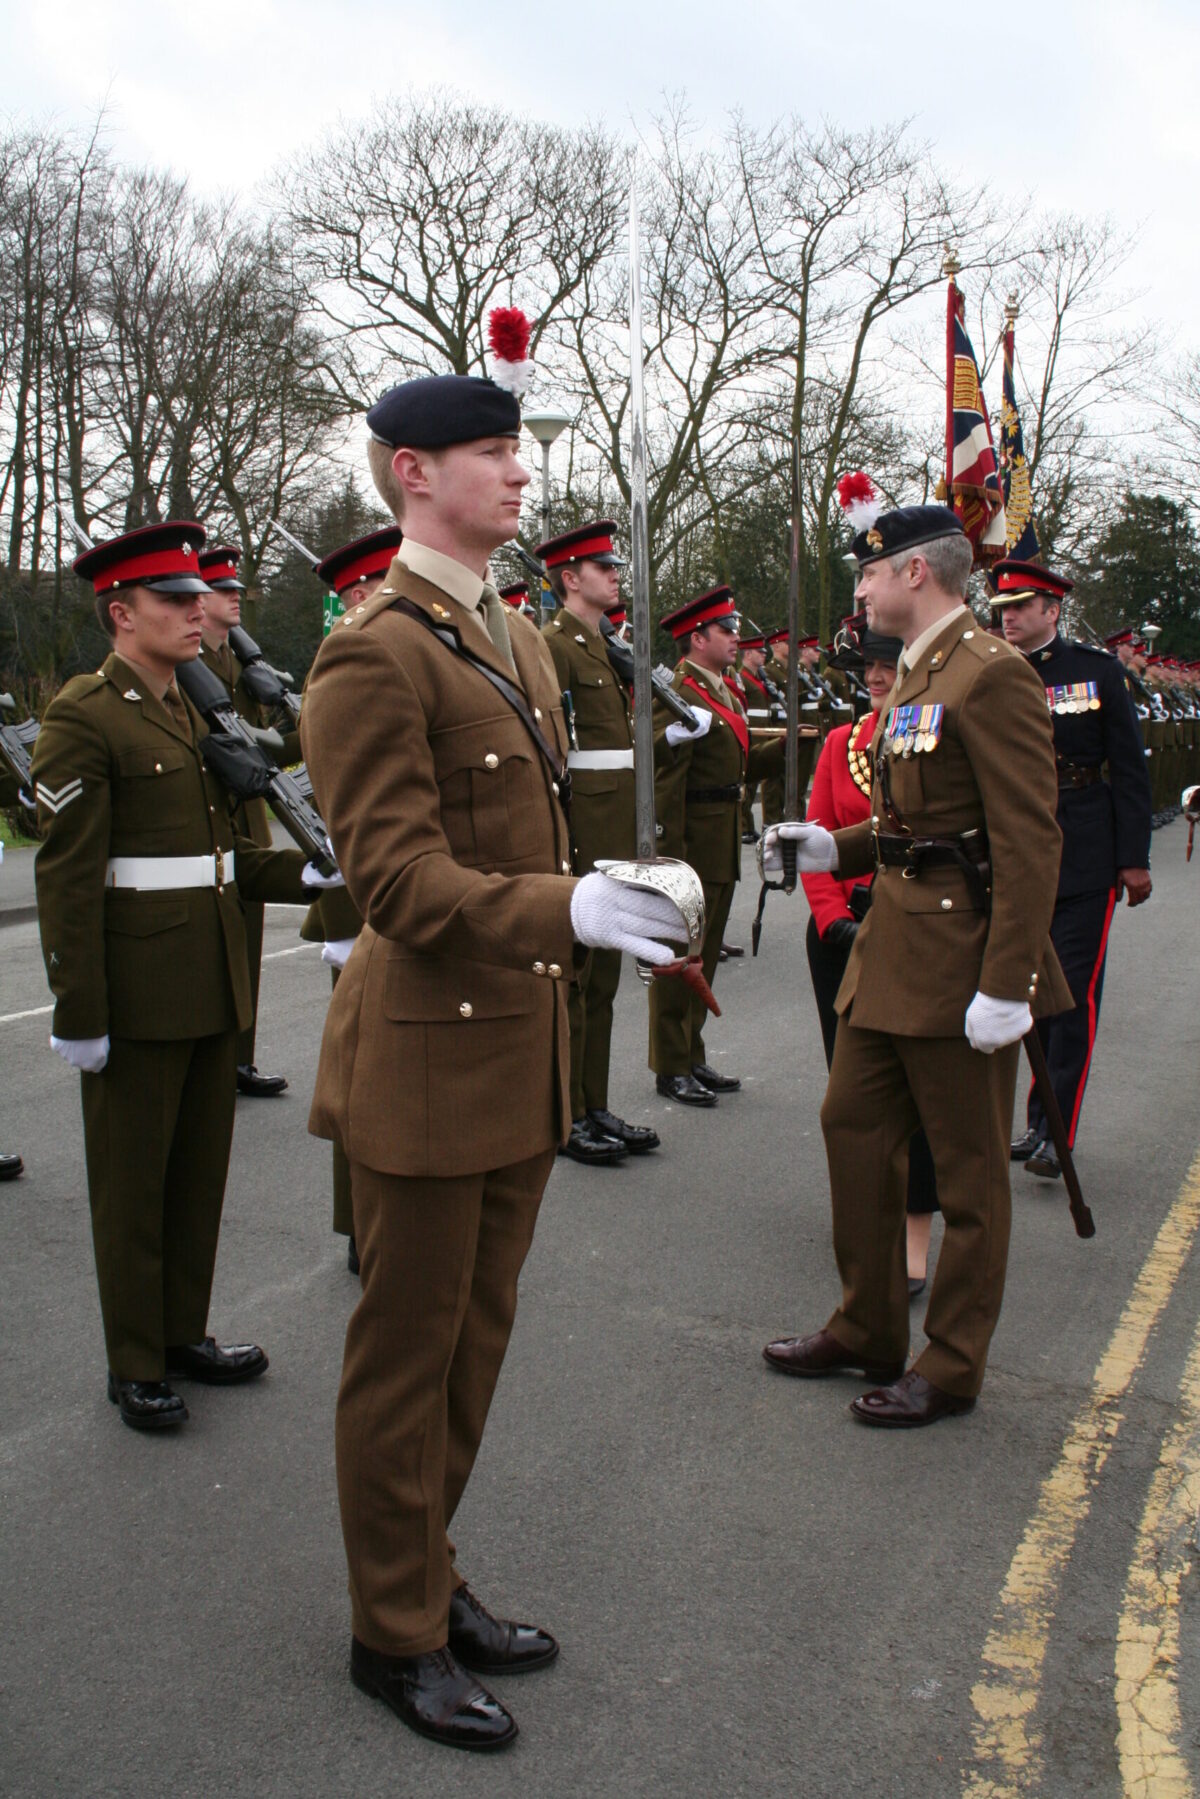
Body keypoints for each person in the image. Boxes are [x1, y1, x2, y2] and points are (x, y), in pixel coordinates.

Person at [300, 347, 688, 1753]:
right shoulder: (372, 648)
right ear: (417, 473)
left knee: (473, 1347)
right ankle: (389, 1630)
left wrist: (611, 895)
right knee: (405, 1356)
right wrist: (569, 906)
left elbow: (529, 840)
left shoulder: (511, 634)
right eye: (496, 452)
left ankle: (430, 1571)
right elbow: (395, 882)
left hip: (512, 1049)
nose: (523, 470)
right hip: (423, 1056)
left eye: (520, 449)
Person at [761, 502, 1070, 1427]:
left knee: (969, 1174)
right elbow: (915, 826)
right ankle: (866, 1323)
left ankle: (953, 1361)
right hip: (892, 948)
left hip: (960, 960)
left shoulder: (990, 675)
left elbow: (1027, 843)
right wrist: (832, 848)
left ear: (914, 574)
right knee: (851, 1125)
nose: (856, 589)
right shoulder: (916, 676)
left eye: (867, 572)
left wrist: (1005, 985)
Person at [31, 522, 314, 1431]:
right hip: (137, 988)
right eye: (175, 599)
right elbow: (68, 878)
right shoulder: (85, 713)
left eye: (200, 596)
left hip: (209, 974)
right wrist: (80, 1008)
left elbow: (225, 858)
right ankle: (134, 1360)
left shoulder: (192, 707)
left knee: (197, 1175)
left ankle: (183, 1331)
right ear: (122, 612)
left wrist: (306, 873)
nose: (200, 613)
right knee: (133, 1186)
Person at [995, 560, 1153, 1179]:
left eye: (1021, 606)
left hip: (1083, 847)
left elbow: (1130, 772)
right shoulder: (992, 669)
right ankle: (1039, 1121)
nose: (1008, 615)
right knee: (1028, 993)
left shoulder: (1095, 672)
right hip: (1015, 848)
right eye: (1003, 606)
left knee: (1072, 995)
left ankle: (1053, 1129)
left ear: (1052, 610)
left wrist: (1132, 859)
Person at [800, 619, 940, 1295]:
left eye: (889, 662)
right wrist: (830, 919)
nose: (877, 675)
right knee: (852, 1093)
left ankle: (915, 1229)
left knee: (916, 1087)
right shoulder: (840, 742)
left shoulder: (934, 738)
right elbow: (819, 837)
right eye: (870, 665)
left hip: (913, 928)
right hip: (844, 932)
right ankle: (867, 1222)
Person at [649, 586, 817, 1105]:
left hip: (720, 836)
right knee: (680, 957)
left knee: (705, 960)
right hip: (691, 840)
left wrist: (788, 747)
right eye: (726, 630)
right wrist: (667, 856)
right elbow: (662, 774)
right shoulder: (676, 691)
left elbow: (735, 769)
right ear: (697, 638)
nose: (736, 637)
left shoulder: (723, 691)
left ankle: (693, 1054)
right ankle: (670, 1065)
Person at [298, 526, 404, 1273]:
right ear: (359, 594)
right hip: (362, 902)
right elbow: (331, 821)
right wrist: (340, 922)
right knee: (361, 1081)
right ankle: (360, 1228)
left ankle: (388, 1221)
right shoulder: (347, 665)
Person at [540, 519, 660, 1165]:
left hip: (615, 828)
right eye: (604, 567)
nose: (616, 575)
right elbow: (555, 755)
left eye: (614, 566)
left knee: (606, 976)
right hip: (585, 830)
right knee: (579, 978)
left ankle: (595, 1102)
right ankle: (566, 1114)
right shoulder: (553, 644)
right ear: (570, 578)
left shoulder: (602, 643)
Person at [197, 542, 300, 1097]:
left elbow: (262, 747)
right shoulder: (192, 665)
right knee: (217, 942)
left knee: (251, 935)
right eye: (223, 591)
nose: (235, 598)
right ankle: (214, 1056)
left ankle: (241, 1056)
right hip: (215, 807)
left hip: (251, 810)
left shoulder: (239, 663)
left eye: (237, 590)